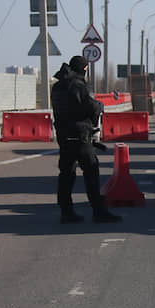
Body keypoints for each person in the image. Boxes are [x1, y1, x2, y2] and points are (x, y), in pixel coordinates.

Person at [51, 55, 122, 224]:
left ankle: (66, 212)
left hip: (63, 134)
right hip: (79, 134)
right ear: (84, 69)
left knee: (66, 174)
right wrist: (99, 106)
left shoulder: (57, 86)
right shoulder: (76, 84)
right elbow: (87, 106)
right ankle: (99, 211)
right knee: (91, 171)